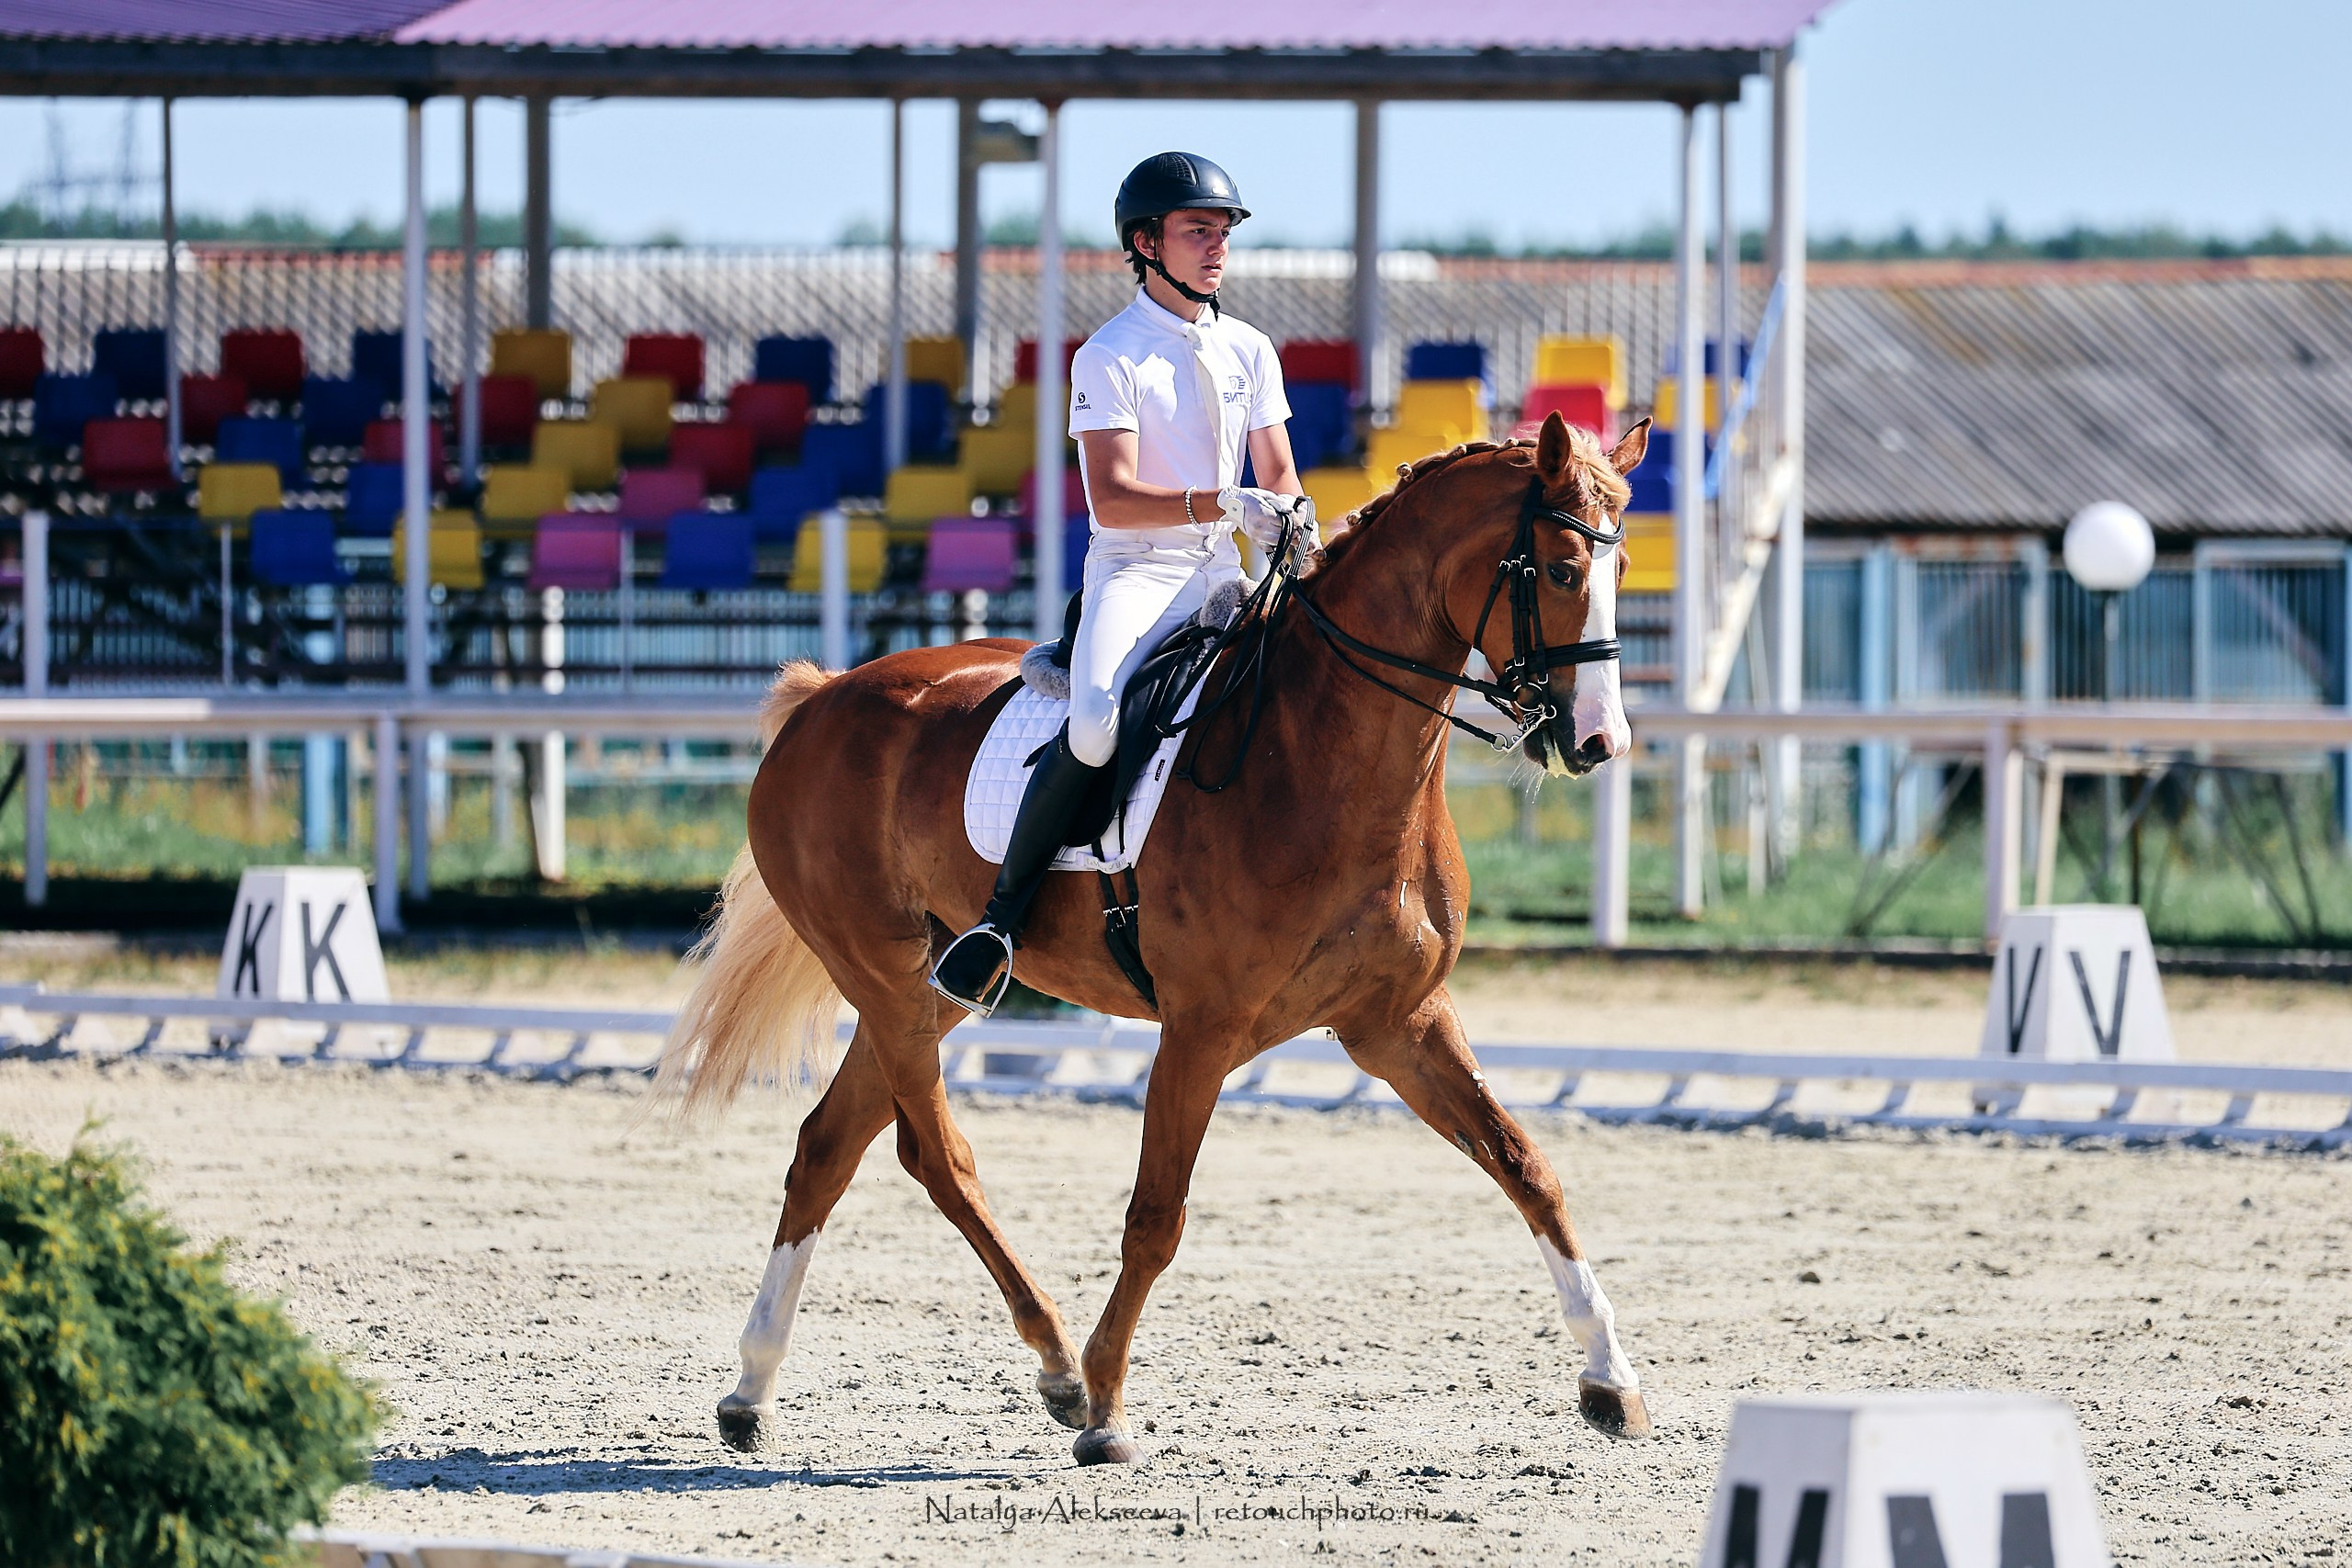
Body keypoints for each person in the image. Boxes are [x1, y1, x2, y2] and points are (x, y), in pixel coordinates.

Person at [931, 151, 1312, 1014]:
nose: (1216, 248)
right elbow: (1112, 495)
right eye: (1197, 232)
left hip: (1226, 564)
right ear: (1146, 242)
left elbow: (1280, 467)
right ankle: (998, 921)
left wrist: (1294, 520)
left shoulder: (1251, 347)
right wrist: (1224, 498)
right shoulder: (1108, 356)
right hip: (1138, 571)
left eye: (1222, 233)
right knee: (1098, 724)